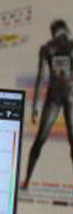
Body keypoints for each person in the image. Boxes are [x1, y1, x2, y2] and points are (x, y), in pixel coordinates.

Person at [22, 18, 73, 188]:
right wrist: (34, 106)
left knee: (45, 139)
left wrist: (35, 107)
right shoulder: (49, 49)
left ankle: (26, 181)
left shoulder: (49, 48)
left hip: (64, 96)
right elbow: (39, 77)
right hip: (59, 96)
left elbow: (39, 77)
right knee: (41, 138)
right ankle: (26, 181)